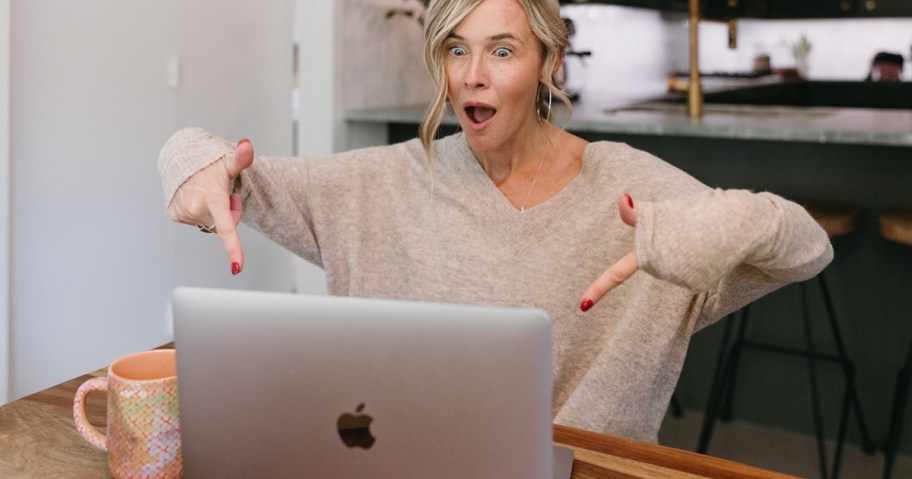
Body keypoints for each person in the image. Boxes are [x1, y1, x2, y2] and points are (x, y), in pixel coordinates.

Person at [158, 0, 831, 443]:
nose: (473, 76)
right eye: (457, 49)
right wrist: (193, 166)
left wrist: (710, 228)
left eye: (503, 51)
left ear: (548, 64)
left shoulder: (630, 188)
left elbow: (807, 247)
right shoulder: (384, 181)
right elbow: (226, 166)